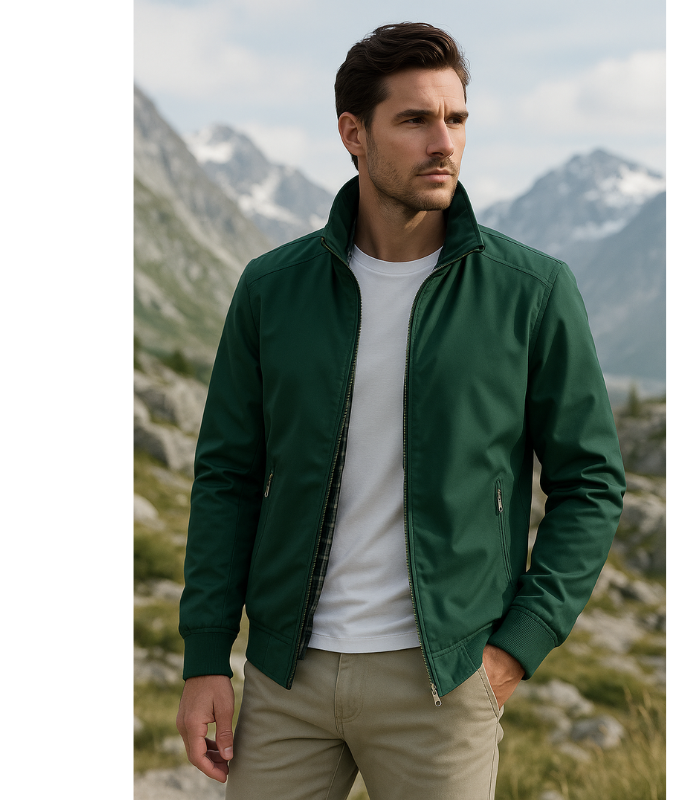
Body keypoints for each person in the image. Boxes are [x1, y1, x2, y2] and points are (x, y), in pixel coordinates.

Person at [176, 21, 625, 800]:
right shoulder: (272, 289)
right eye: (415, 119)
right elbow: (227, 477)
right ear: (354, 134)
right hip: (286, 678)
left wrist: (516, 649)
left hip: (443, 683)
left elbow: (591, 482)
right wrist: (205, 652)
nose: (443, 142)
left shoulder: (530, 291)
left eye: (456, 119)